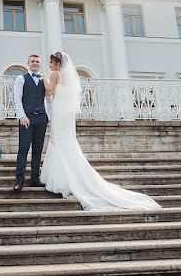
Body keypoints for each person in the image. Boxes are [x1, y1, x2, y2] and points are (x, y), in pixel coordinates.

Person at [40, 51, 162, 211]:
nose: (49, 65)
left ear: (57, 63)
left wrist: (44, 79)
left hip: (59, 113)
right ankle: (69, 176)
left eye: (51, 62)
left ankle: (61, 181)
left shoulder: (55, 74)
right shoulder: (68, 78)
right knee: (66, 142)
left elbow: (49, 91)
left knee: (57, 142)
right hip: (66, 115)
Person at [11, 54, 49, 191]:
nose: (35, 63)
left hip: (41, 118)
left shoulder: (44, 79)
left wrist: (47, 115)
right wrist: (21, 116)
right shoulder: (21, 78)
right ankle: (19, 179)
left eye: (37, 61)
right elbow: (17, 98)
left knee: (37, 150)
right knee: (23, 150)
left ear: (40, 64)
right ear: (28, 63)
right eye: (32, 61)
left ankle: (34, 178)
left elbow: (46, 99)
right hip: (26, 118)